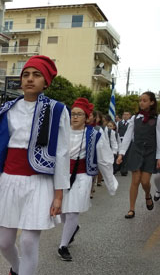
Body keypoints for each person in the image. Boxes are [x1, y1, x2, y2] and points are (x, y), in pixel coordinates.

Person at [0, 55, 70, 275]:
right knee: (5, 243)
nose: (29, 79)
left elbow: (62, 154)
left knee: (29, 242)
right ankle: (17, 269)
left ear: (46, 82)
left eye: (36, 75)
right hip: (9, 180)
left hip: (39, 183)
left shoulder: (57, 111)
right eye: (26, 74)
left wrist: (59, 195)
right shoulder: (8, 108)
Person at [57, 98, 117, 261]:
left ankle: (63, 246)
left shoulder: (95, 134)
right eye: (73, 114)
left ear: (86, 117)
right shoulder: (62, 131)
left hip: (82, 176)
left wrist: (110, 183)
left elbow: (104, 159)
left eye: (79, 114)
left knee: (72, 210)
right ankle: (73, 228)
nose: (75, 117)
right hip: (62, 175)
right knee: (62, 212)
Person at [116, 92, 160, 219]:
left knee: (145, 181)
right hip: (136, 150)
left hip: (150, 152)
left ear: (152, 102)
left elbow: (159, 138)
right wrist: (121, 153)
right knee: (135, 180)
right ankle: (131, 209)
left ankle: (147, 195)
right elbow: (128, 136)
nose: (141, 102)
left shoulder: (157, 118)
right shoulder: (134, 118)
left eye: (144, 100)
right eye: (140, 100)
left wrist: (159, 156)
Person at [116, 111, 131, 176]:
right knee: (119, 154)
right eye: (124, 114)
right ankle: (117, 167)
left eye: (127, 114)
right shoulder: (119, 123)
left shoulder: (131, 123)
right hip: (120, 140)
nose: (125, 116)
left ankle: (124, 170)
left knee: (126, 156)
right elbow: (116, 131)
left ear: (129, 116)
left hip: (128, 141)